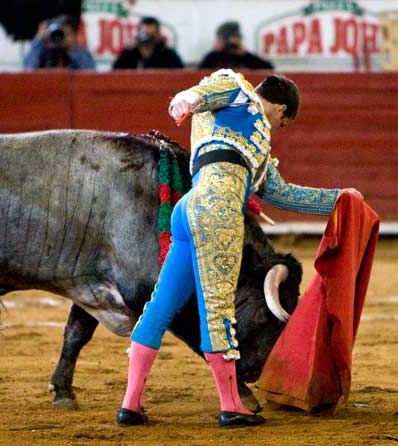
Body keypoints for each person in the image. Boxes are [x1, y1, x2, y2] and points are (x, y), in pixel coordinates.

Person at [116, 69, 361, 428]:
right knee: (217, 308)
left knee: (161, 305)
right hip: (217, 208)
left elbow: (281, 193)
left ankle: (131, 404)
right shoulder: (238, 89)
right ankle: (231, 405)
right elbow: (208, 91)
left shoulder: (254, 146)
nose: (277, 128)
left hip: (189, 208)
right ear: (281, 109)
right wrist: (187, 99)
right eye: (283, 122)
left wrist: (339, 199)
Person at [23, 15, 95, 70]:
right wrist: (39, 40)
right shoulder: (43, 52)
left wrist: (71, 49)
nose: (60, 37)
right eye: (57, 34)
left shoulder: (82, 53)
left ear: (73, 35)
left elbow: (89, 74)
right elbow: (28, 69)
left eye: (65, 34)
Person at [113, 16, 184, 69]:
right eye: (143, 34)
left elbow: (178, 74)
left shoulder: (168, 55)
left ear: (158, 35)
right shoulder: (129, 53)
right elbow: (115, 73)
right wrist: (126, 52)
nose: (147, 40)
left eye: (151, 35)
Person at [198, 21, 273, 70]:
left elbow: (269, 69)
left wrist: (244, 53)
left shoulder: (247, 58)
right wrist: (215, 52)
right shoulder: (214, 57)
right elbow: (199, 72)